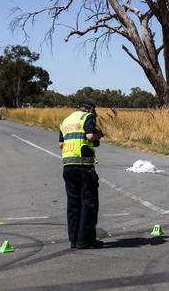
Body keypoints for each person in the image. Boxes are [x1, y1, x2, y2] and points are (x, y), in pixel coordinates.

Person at [59, 100, 104, 249]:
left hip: (68, 166)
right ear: (90, 109)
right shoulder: (88, 117)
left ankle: (74, 239)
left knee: (73, 204)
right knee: (89, 203)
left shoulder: (65, 121)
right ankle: (85, 240)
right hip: (84, 167)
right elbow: (90, 136)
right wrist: (98, 135)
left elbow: (61, 144)